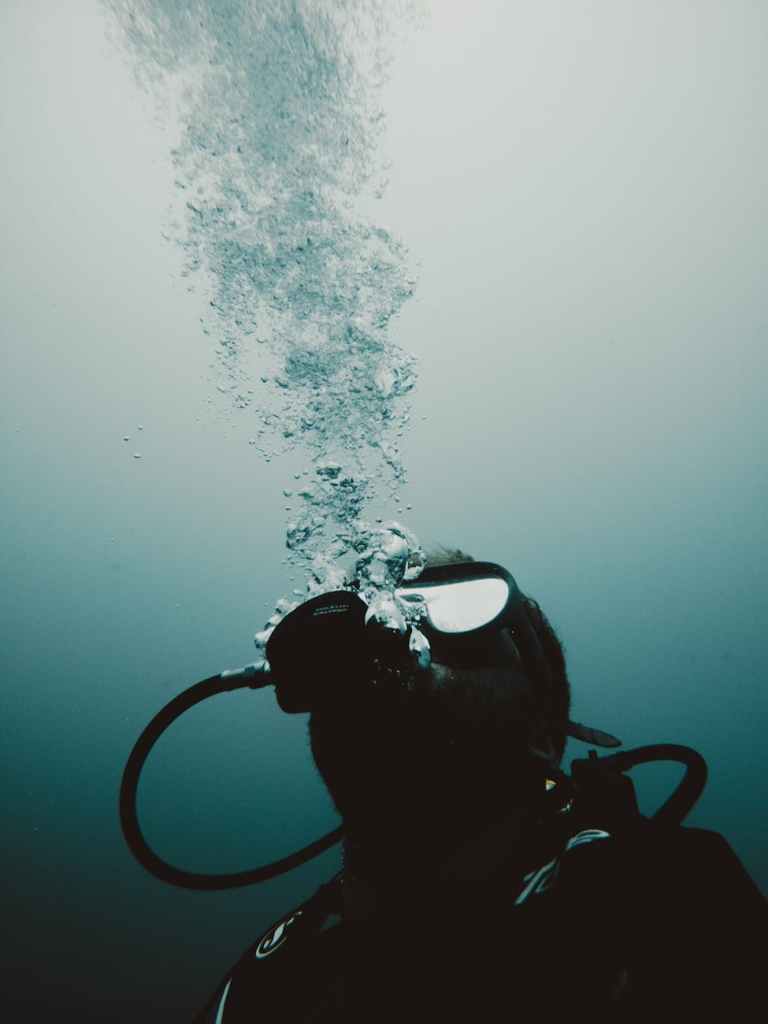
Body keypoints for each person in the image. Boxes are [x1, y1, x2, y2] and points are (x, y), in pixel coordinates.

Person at [195, 550, 766, 1022]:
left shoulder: (664, 896)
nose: (392, 651)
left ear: (543, 728)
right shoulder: (269, 982)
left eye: (459, 634)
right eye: (345, 661)